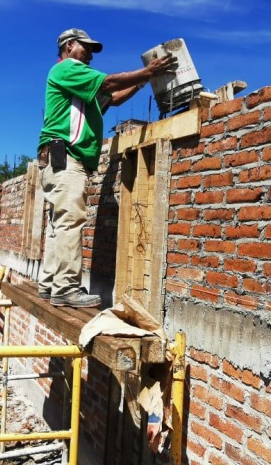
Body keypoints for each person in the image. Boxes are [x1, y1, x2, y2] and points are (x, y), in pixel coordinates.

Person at [37, 28, 176, 308]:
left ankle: (50, 284)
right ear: (69, 46)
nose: (89, 54)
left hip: (59, 158)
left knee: (59, 224)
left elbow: (111, 98)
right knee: (69, 221)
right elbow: (110, 82)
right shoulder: (67, 69)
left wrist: (140, 82)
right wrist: (148, 72)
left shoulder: (79, 87)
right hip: (66, 157)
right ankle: (65, 289)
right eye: (85, 47)